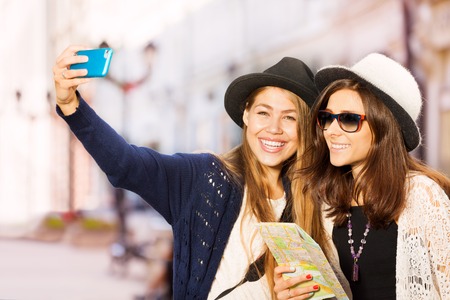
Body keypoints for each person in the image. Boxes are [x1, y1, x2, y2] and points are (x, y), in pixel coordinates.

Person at [52, 45, 329, 299]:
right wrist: (71, 107)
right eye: (264, 113)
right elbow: (126, 164)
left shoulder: (310, 203)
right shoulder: (204, 177)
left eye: (290, 117)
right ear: (246, 115)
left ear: (304, 128)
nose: (274, 128)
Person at [275, 53, 450, 299]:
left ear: (383, 128)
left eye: (348, 119)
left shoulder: (421, 195)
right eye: (327, 118)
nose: (331, 131)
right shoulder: (328, 203)